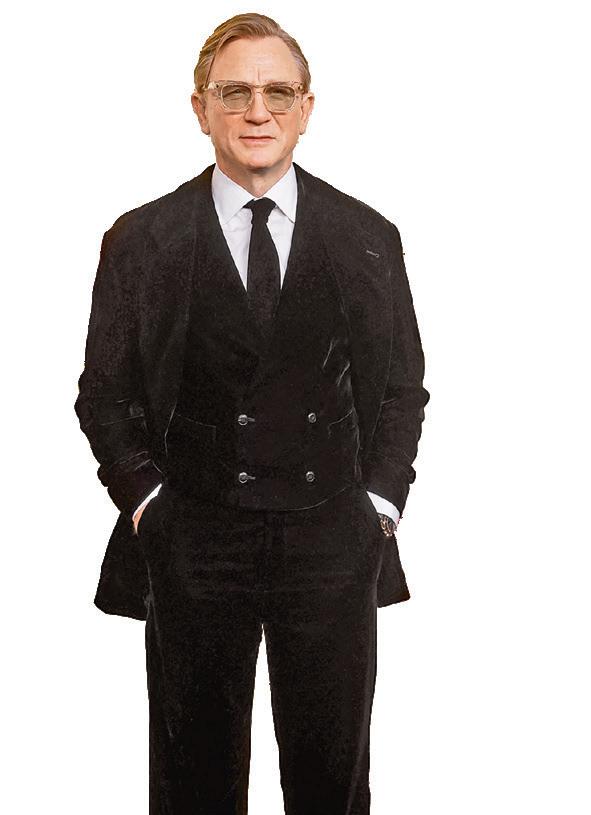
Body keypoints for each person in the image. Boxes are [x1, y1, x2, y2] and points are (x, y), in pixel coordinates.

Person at [74, 12, 430, 814]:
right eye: (233, 92)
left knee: (330, 779)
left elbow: (400, 389)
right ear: (200, 109)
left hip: (330, 535)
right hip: (195, 534)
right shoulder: (141, 238)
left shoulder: (366, 234)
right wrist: (147, 503)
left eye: (277, 93)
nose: (256, 111)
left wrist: (377, 505)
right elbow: (103, 393)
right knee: (192, 781)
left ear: (306, 108)